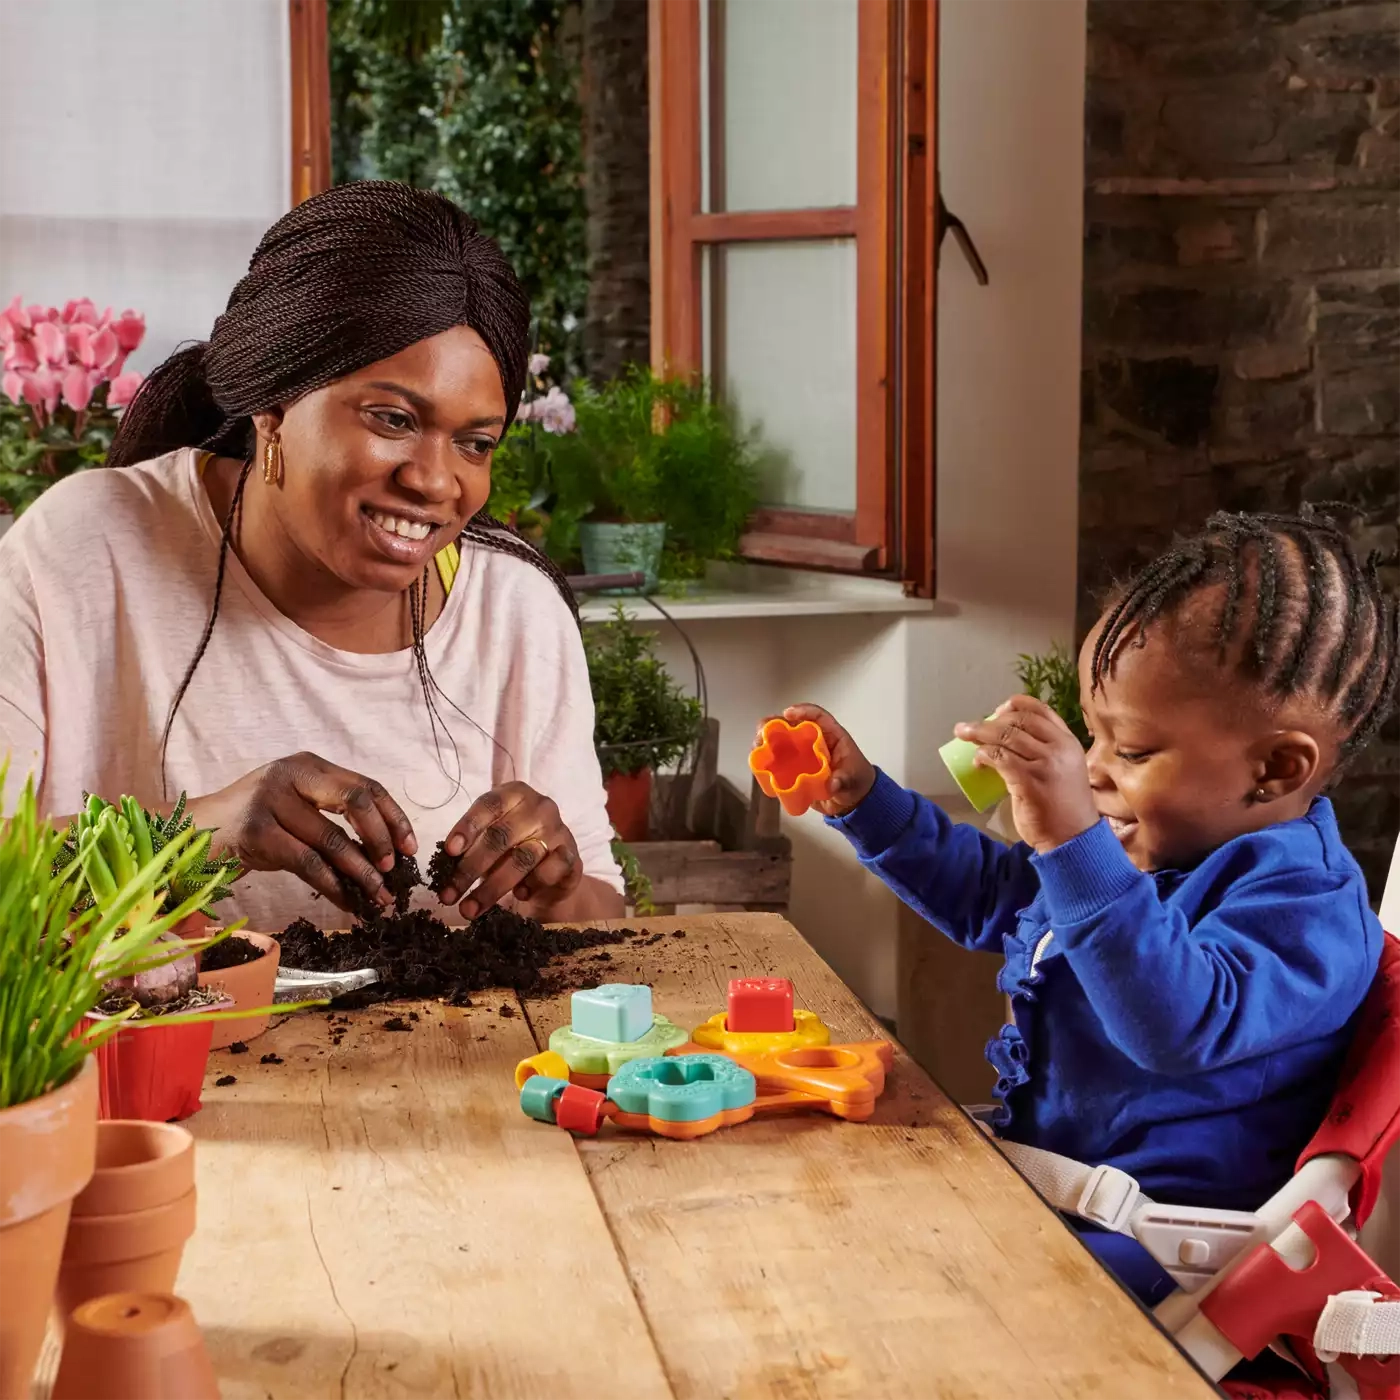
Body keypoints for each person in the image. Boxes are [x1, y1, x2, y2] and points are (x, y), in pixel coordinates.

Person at [778, 508, 1397, 1303]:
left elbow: (1178, 1021)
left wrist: (1074, 842)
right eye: (1091, 736)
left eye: (1131, 750)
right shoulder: (1154, 851)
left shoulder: (1308, 906)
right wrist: (866, 801)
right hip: (1052, 1197)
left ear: (1276, 768)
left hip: (1162, 1254)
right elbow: (996, 895)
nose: (1094, 770)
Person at [0, 181, 624, 933]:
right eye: (392, 419)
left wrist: (556, 891)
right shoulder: (81, 551)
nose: (434, 481)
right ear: (273, 403)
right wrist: (199, 837)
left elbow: (604, 917)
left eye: (475, 443)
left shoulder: (514, 610)